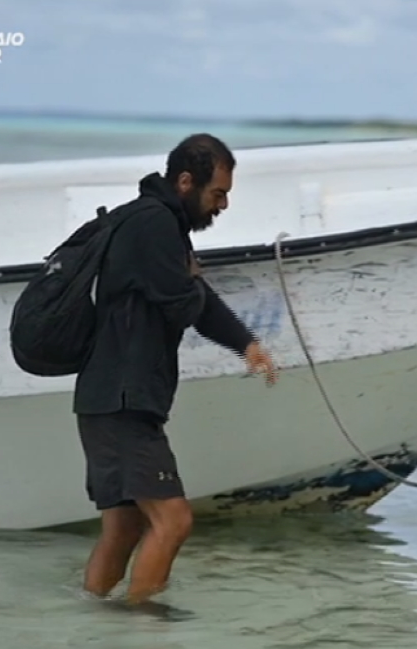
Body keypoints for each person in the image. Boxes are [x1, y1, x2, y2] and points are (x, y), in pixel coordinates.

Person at [71, 133, 277, 606]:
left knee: (124, 527)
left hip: (105, 400)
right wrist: (194, 282)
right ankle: (145, 636)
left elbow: (189, 298)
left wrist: (245, 344)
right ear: (186, 181)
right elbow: (182, 302)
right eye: (217, 193)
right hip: (124, 402)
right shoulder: (154, 224)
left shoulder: (154, 222)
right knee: (174, 520)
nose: (223, 204)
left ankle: (94, 625)